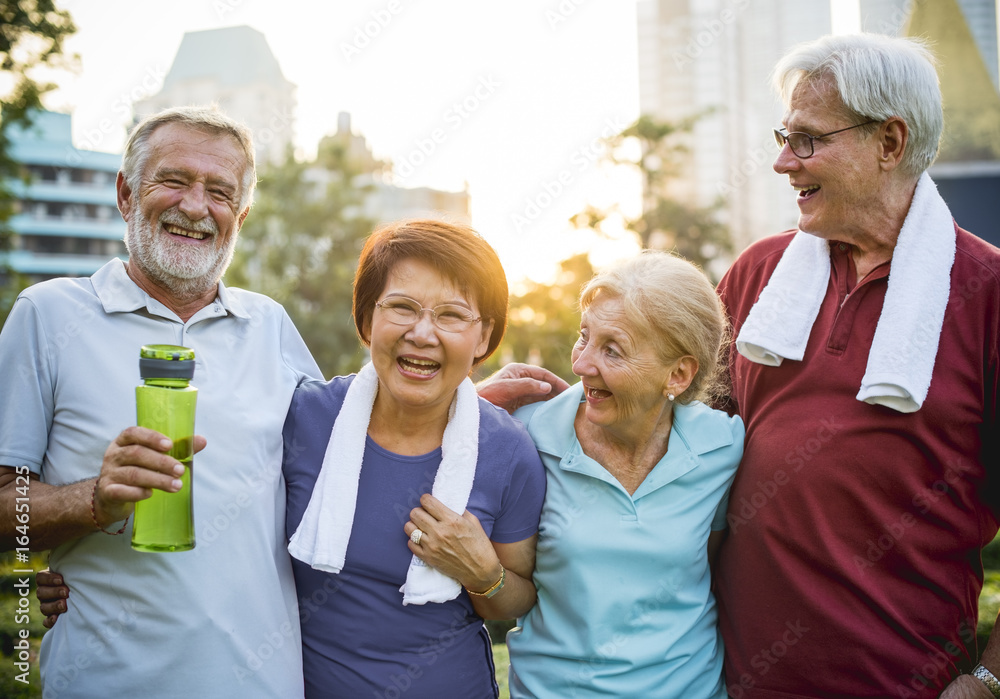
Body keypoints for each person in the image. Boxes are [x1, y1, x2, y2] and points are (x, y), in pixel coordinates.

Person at [713, 34, 1000, 698]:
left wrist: (985, 680)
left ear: (890, 143)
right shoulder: (756, 275)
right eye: (785, 136)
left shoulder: (987, 296)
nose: (784, 162)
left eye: (808, 140)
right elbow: (669, 447)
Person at [0, 106, 321, 697]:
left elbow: (354, 455)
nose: (196, 206)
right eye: (173, 179)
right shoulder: (46, 315)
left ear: (240, 216)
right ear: (126, 193)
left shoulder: (270, 325)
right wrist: (89, 502)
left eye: (220, 192)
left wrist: (467, 400)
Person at [283, 219, 546, 697]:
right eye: (402, 307)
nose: (422, 333)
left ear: (483, 337)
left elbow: (515, 601)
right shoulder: (304, 419)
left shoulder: (508, 452)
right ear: (366, 320)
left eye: (451, 315)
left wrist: (483, 573)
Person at [504, 250, 744, 698]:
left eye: (612, 350)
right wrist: (471, 405)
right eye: (584, 337)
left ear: (678, 374)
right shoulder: (527, 435)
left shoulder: (722, 447)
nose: (580, 365)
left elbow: (708, 561)